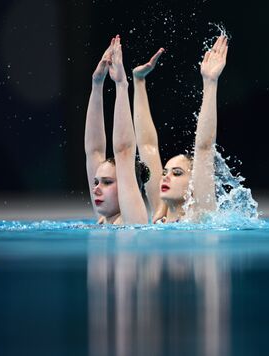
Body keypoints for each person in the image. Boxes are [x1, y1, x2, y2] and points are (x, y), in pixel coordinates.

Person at [133, 35, 228, 223]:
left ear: (193, 186)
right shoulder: (158, 215)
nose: (166, 177)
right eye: (164, 173)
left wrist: (210, 82)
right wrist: (139, 81)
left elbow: (204, 148)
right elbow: (146, 145)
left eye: (176, 173)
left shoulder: (200, 216)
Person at [85, 35, 148, 224]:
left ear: (129, 186)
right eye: (97, 182)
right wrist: (97, 84)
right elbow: (93, 150)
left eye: (107, 182)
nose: (95, 189)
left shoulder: (133, 220)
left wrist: (121, 85)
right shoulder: (105, 219)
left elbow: (124, 151)